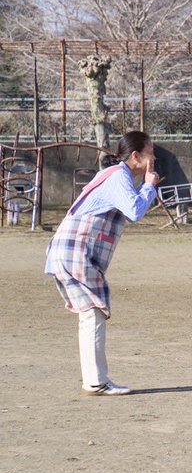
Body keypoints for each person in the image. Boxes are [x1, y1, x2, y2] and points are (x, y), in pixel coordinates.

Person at [45, 131, 162, 395]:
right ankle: (96, 381)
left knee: (90, 315)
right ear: (136, 156)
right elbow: (134, 211)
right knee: (93, 312)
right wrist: (149, 185)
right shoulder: (118, 177)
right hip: (76, 253)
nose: (153, 157)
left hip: (68, 251)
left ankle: (94, 380)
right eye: (150, 151)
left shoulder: (111, 175)